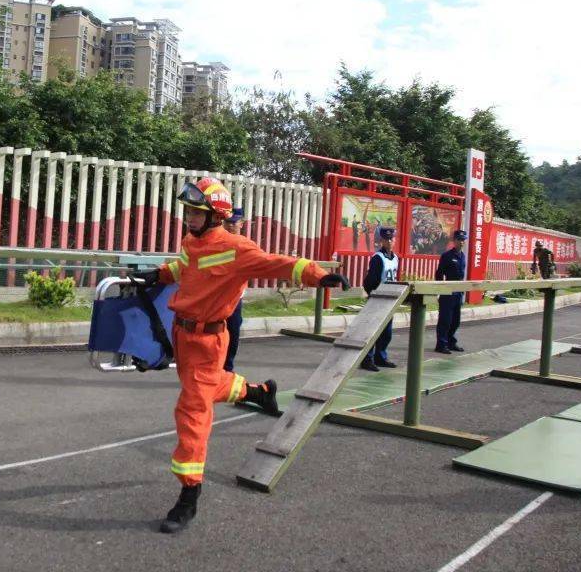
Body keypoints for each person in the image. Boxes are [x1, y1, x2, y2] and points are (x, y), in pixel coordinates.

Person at [134, 177, 344, 534]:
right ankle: (259, 392)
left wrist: (319, 276)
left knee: (193, 409)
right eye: (187, 211)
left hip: (209, 339)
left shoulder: (236, 248)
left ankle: (189, 494)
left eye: (196, 213)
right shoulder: (191, 241)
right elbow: (183, 266)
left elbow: (278, 263)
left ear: (216, 216)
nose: (189, 218)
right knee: (208, 387)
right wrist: (159, 273)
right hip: (182, 335)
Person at [360, 226, 399, 372]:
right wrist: (373, 294)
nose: (389, 241)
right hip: (378, 297)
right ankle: (367, 359)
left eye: (392, 238)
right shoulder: (378, 258)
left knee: (386, 332)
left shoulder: (395, 258)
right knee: (373, 330)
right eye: (386, 239)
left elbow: (395, 277)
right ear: (381, 240)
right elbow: (369, 281)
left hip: (390, 297)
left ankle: (381, 357)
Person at [434, 230, 467, 354]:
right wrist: (439, 290)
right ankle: (441, 344)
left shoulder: (462, 256)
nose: (462, 242)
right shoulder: (447, 256)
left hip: (458, 292)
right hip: (447, 292)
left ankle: (451, 342)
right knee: (445, 320)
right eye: (459, 239)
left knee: (455, 320)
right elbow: (439, 274)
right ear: (454, 241)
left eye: (463, 240)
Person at [222, 207, 246, 372]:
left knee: (233, 331)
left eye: (234, 222)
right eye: (227, 222)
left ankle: (227, 368)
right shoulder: (217, 243)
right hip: (215, 297)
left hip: (235, 298)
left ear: (242, 224)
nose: (230, 226)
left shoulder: (245, 246)